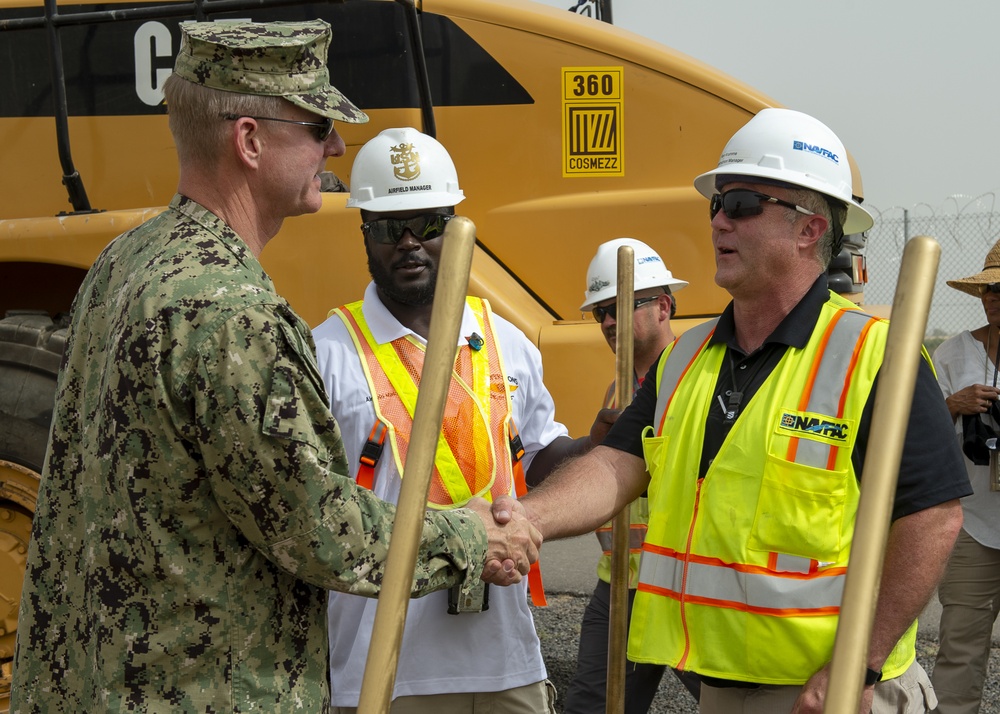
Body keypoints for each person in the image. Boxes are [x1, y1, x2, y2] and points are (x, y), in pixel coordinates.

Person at [10, 23, 538, 714]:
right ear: (250, 141)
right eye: (317, 124)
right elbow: (319, 532)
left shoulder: (129, 260)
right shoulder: (231, 312)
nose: (337, 146)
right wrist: (472, 535)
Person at [491, 107, 971, 714]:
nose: (719, 219)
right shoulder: (686, 359)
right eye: (715, 204)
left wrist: (863, 660)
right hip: (717, 686)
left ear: (808, 229)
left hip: (837, 693)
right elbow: (615, 464)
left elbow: (932, 518)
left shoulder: (875, 356)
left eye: (742, 204)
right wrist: (527, 517)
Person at [312, 126, 604, 713]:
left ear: (456, 227)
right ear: (365, 232)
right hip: (382, 668)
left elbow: (540, 457)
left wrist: (601, 443)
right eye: (392, 227)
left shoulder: (506, 341)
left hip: (503, 660)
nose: (411, 243)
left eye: (429, 224)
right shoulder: (328, 354)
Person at [564, 237, 701, 713]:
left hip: (688, 584)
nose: (607, 322)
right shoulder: (615, 390)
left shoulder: (699, 379)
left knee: (738, 702)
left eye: (620, 307)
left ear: (663, 307)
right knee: (592, 707)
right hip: (621, 582)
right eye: (600, 311)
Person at [929, 241, 1000, 714]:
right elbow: (917, 434)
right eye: (987, 290)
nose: (993, 298)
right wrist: (953, 406)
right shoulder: (953, 353)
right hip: (971, 522)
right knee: (960, 646)